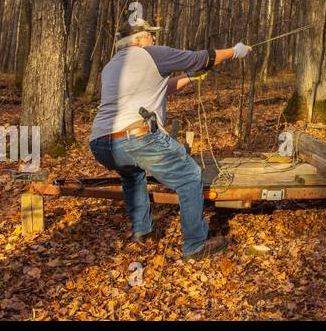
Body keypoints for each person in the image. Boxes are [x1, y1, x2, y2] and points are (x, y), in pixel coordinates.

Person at [88, 16, 250, 260]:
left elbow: (160, 87)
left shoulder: (112, 66)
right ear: (140, 38)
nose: (154, 38)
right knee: (189, 176)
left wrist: (190, 77)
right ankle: (195, 244)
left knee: (133, 175)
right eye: (151, 34)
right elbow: (201, 57)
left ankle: (142, 232)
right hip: (136, 137)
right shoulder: (150, 54)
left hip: (101, 144)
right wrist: (234, 52)